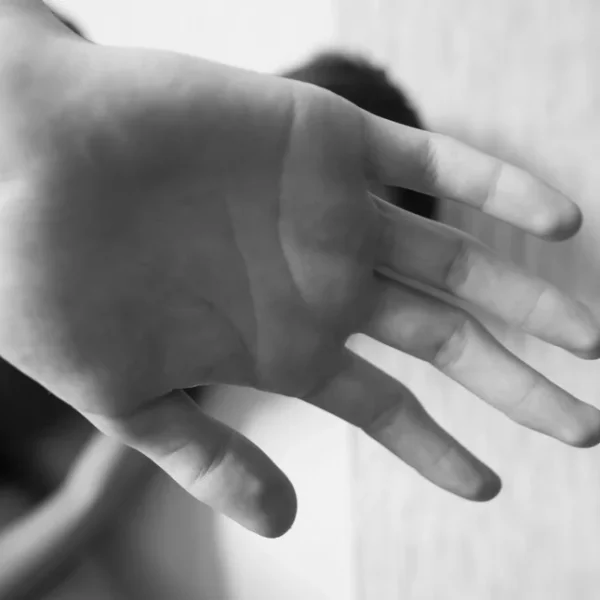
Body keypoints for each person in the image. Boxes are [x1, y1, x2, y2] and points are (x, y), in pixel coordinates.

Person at [0, 0, 598, 548]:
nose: (281, 246)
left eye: (331, 244)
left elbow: (70, 518)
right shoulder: (60, 90)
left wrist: (84, 504)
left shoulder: (175, 370)